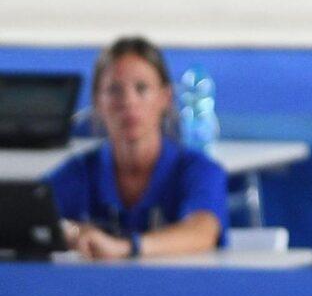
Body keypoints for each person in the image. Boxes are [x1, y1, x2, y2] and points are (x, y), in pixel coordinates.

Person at [46, 36, 229, 261]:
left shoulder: (199, 170)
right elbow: (31, 216)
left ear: (165, 97)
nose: (128, 102)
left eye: (141, 88)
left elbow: (202, 232)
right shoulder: (81, 172)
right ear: (97, 102)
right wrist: (70, 232)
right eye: (114, 90)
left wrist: (125, 248)